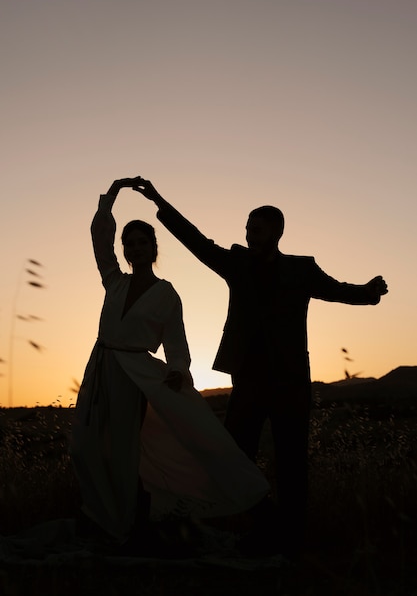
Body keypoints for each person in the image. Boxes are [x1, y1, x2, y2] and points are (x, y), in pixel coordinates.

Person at [133, 176, 389, 559]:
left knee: (292, 465)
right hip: (249, 382)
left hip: (291, 383)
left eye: (256, 229)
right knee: (234, 459)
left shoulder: (302, 270)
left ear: (276, 231)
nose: (250, 234)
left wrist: (368, 294)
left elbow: (338, 290)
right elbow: (198, 242)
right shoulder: (237, 263)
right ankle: (263, 528)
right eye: (247, 228)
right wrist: (159, 202)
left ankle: (291, 541)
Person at [69, 178, 270, 554]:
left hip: (136, 376)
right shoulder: (114, 281)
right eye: (129, 243)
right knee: (84, 445)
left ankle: (125, 524)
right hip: (100, 367)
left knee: (125, 451)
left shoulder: (166, 294)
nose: (135, 248)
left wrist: (178, 369)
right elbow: (100, 238)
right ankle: (101, 514)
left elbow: (176, 342)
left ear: (153, 247)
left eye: (143, 242)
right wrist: (111, 195)